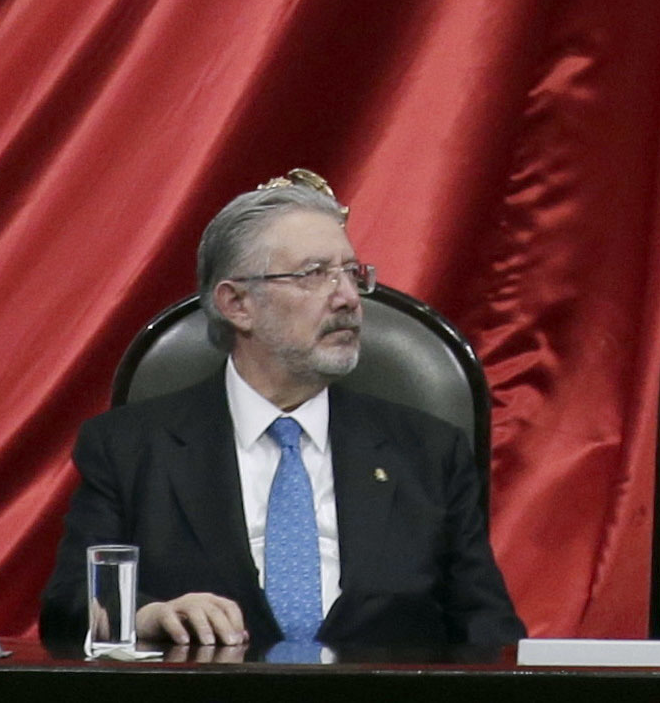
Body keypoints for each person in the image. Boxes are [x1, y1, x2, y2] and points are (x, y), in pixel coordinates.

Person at [36, 180, 523, 658]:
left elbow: (490, 631)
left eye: (353, 273)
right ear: (237, 304)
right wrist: (144, 616)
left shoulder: (428, 451)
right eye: (314, 274)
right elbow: (68, 606)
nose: (349, 298)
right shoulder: (130, 446)